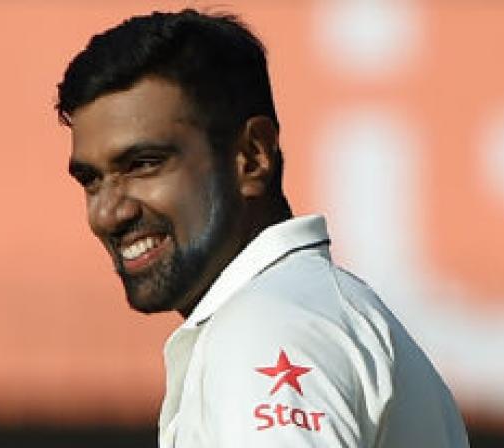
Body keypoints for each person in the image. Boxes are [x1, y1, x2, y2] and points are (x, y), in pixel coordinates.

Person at [56, 9, 469, 447]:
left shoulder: (267, 327)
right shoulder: (305, 311)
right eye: (91, 180)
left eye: (144, 164)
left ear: (252, 157)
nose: (108, 213)